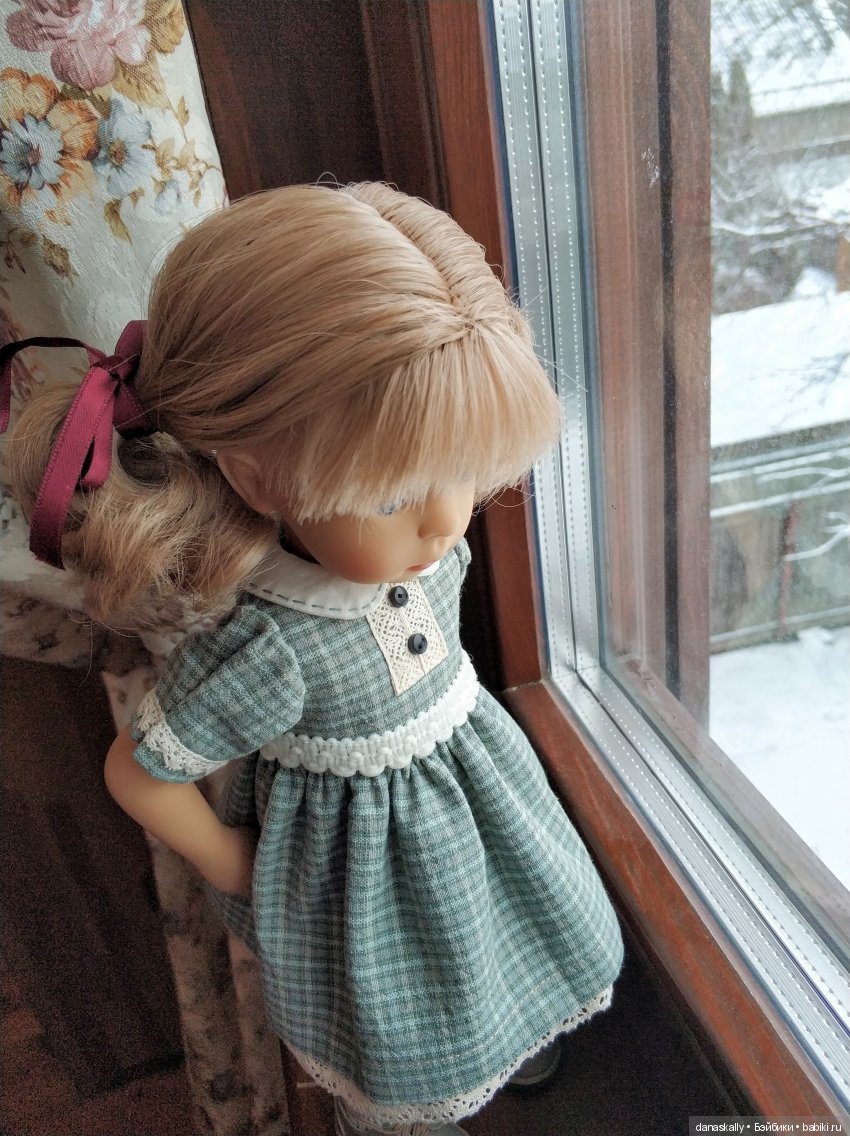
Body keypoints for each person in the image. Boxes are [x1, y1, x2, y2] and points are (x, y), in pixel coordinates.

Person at [2, 183, 624, 1136]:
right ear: (257, 476)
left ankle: (512, 1037)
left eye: (460, 474)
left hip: (480, 806)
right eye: (393, 496)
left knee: (516, 930)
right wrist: (234, 865)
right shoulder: (269, 646)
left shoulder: (433, 556)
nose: (444, 521)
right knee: (395, 1041)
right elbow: (140, 769)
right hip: (360, 873)